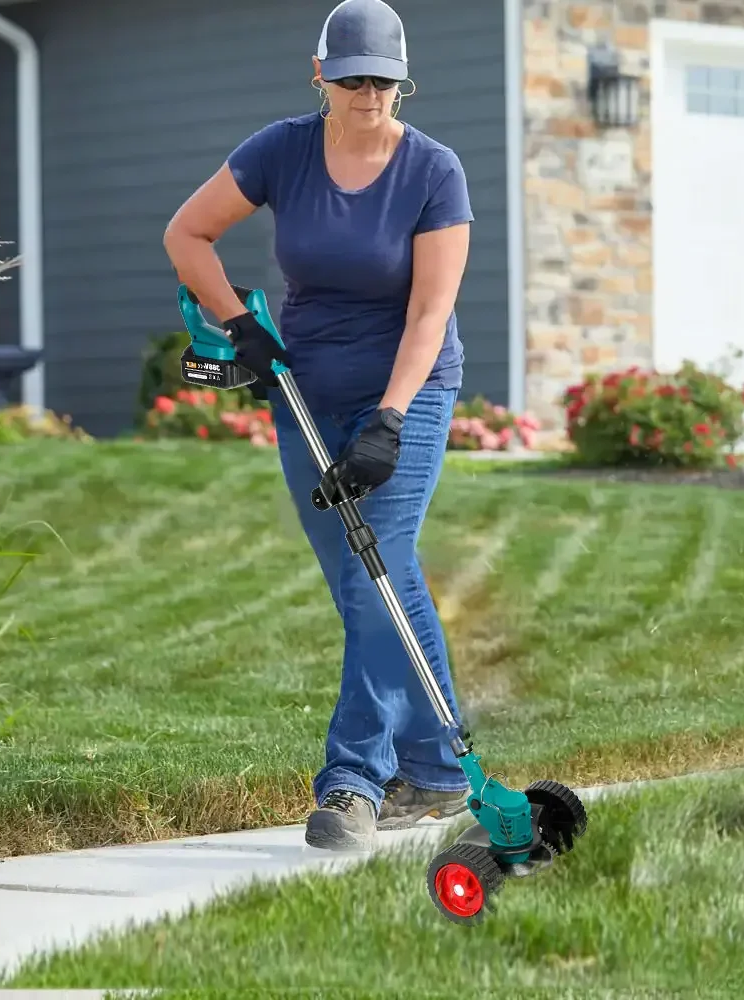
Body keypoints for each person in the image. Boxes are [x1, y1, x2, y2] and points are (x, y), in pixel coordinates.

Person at [162, 0, 474, 851]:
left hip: (405, 391)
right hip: (303, 389)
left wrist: (391, 419)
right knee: (363, 583)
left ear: (402, 83)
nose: (369, 94)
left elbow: (428, 313)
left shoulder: (434, 171)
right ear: (320, 76)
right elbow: (187, 234)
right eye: (352, 79)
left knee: (388, 562)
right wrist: (243, 328)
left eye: (384, 80)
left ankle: (351, 784)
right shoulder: (282, 150)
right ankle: (442, 772)